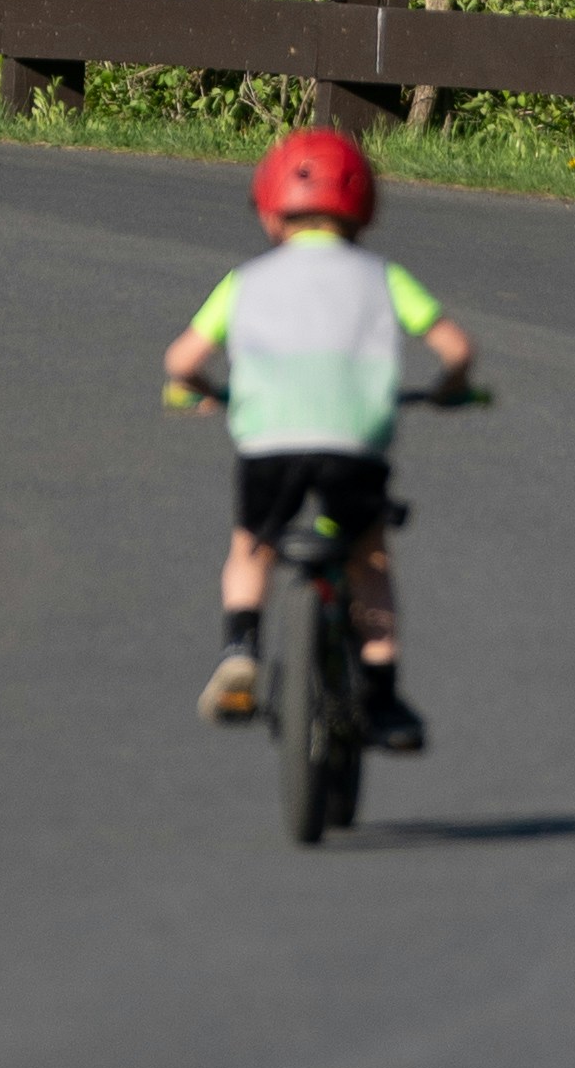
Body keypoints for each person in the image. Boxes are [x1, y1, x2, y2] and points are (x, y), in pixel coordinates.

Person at [167, 122, 474, 743]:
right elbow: (456, 349)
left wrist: (201, 394)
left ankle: (240, 651)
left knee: (251, 547)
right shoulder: (383, 277)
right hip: (352, 447)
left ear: (272, 210)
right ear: (362, 212)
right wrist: (449, 389)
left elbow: (181, 362)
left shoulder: (245, 282)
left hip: (268, 446)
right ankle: (384, 700)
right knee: (369, 559)